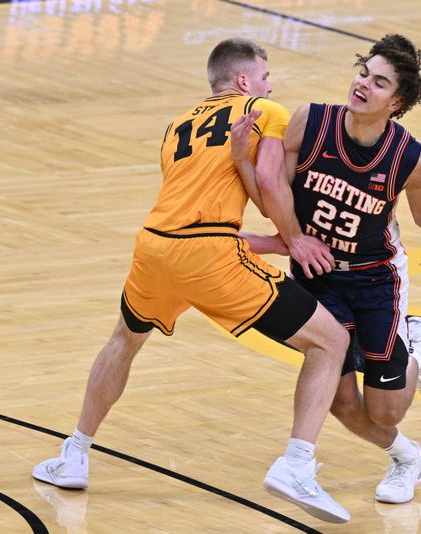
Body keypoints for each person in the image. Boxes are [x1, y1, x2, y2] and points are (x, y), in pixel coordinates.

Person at [31, 37, 352, 524]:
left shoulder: (175, 128)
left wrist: (270, 241)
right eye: (265, 75)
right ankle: (297, 465)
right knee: (330, 342)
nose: (270, 84)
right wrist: (295, 238)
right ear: (245, 81)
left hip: (155, 248)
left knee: (124, 339)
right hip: (209, 258)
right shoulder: (264, 109)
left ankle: (74, 453)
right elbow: (269, 185)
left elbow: (194, 215)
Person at [239, 33, 421, 505]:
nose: (363, 85)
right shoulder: (310, 123)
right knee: (340, 402)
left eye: (378, 82)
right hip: (318, 274)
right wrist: (255, 184)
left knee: (385, 410)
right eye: (362, 73)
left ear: (396, 101)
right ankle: (407, 458)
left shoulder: (408, 157)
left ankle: (416, 342)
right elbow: (277, 194)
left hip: (376, 279)